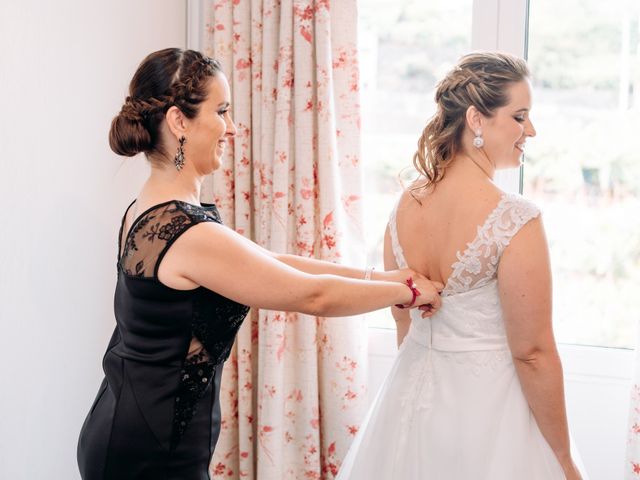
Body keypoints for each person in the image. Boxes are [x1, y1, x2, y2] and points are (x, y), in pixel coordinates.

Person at [76, 48, 443, 480]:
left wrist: (382, 277)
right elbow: (313, 295)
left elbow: (270, 262)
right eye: (222, 111)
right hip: (150, 450)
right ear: (179, 121)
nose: (231, 128)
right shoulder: (187, 232)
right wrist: (410, 291)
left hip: (128, 421)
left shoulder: (154, 209)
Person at [335, 52, 587, 480]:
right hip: (488, 415)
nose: (531, 131)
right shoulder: (514, 218)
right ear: (476, 119)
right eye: (520, 116)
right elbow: (533, 354)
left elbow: (404, 325)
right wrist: (563, 459)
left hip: (409, 404)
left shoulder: (404, 206)